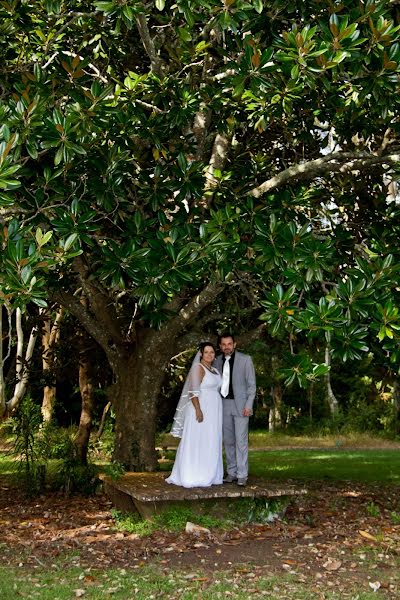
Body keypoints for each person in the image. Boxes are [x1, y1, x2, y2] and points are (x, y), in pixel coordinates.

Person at [166, 342, 223, 488]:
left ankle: (210, 473)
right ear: (201, 354)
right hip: (201, 409)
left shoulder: (215, 371)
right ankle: (192, 474)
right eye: (206, 352)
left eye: (212, 352)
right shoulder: (198, 368)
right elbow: (193, 391)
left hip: (214, 411)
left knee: (210, 440)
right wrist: (198, 409)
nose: (209, 355)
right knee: (198, 440)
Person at [215, 333, 256, 487]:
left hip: (241, 406)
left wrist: (249, 405)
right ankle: (231, 472)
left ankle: (242, 474)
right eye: (224, 344)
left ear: (235, 344)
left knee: (241, 441)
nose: (227, 347)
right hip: (223, 405)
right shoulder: (216, 361)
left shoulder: (246, 360)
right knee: (228, 441)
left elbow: (252, 386)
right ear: (220, 346)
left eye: (229, 344)